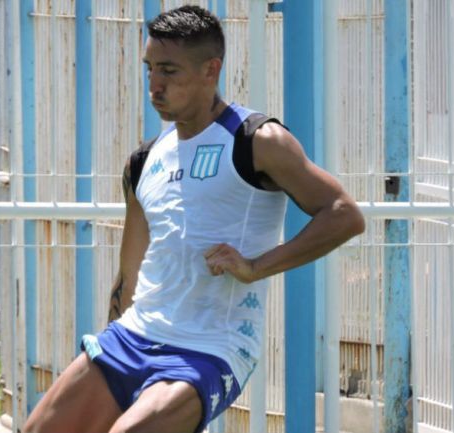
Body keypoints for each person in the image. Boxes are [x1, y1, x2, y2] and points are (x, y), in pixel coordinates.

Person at [23, 5, 365, 433]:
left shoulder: (257, 140)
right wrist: (112, 345)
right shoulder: (143, 162)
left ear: (211, 70)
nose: (155, 85)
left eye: (168, 71)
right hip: (133, 336)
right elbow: (129, 276)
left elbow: (344, 214)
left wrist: (257, 267)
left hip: (209, 349)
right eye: (150, 69)